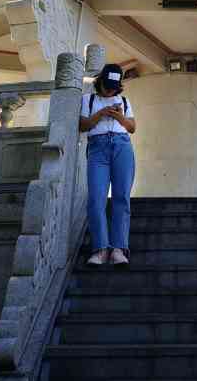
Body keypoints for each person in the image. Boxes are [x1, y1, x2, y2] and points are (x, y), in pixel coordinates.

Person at [79, 64, 136, 266]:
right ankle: (100, 249)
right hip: (97, 147)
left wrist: (118, 116)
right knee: (96, 198)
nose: (110, 90)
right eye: (107, 86)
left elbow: (132, 128)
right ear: (100, 82)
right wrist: (102, 113)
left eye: (113, 87)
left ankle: (119, 249)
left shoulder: (125, 101)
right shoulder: (89, 99)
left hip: (122, 147)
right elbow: (82, 126)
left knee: (121, 197)